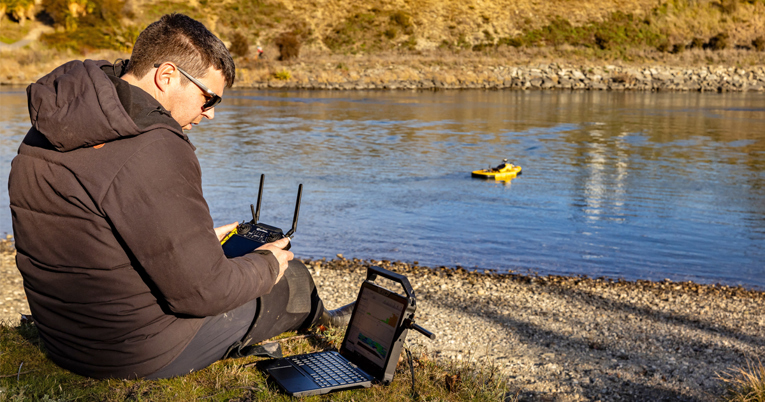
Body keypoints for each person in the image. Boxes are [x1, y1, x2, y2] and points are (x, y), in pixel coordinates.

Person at [8, 13, 351, 380]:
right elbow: (204, 293)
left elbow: (95, 230)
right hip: (133, 352)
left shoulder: (52, 127)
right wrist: (268, 264)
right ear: (167, 75)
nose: (211, 114)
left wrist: (201, 243)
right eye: (208, 98)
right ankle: (324, 323)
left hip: (63, 338)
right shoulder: (155, 145)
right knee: (291, 278)